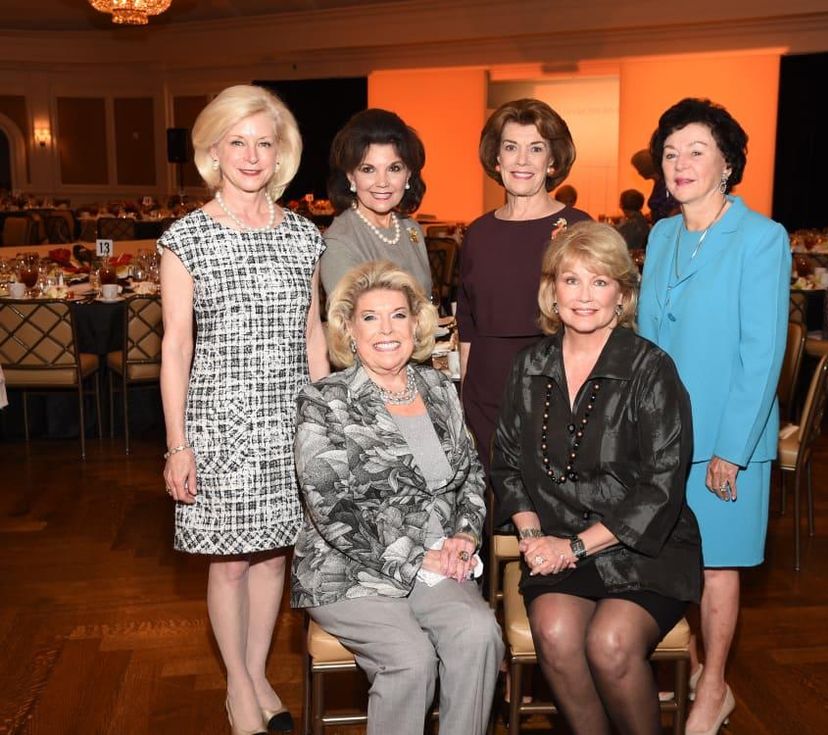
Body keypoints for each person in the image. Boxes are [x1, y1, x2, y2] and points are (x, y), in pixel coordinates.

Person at [159, 84, 328, 735]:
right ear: (214, 150)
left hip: (290, 421)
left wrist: (326, 427)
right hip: (218, 425)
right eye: (238, 142)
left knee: (275, 557)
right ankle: (237, 686)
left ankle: (257, 674)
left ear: (281, 152)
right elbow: (176, 347)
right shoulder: (187, 238)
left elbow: (313, 336)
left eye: (264, 142)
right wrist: (178, 445)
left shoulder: (305, 236)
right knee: (229, 561)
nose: (252, 155)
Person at [492, 221, 702, 735]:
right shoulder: (528, 365)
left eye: (600, 281)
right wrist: (533, 536)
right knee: (555, 632)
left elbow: (661, 487)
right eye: (571, 280)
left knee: (610, 644)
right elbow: (507, 462)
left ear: (622, 295)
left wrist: (575, 547)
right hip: (555, 539)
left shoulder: (651, 369)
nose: (584, 296)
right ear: (552, 291)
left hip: (643, 549)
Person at [292, 261, 504, 735]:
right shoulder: (324, 401)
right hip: (350, 570)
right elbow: (332, 509)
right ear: (349, 330)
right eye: (370, 317)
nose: (386, 330)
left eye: (398, 315)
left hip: (437, 560)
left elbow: (470, 471)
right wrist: (416, 557)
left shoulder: (438, 387)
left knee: (479, 635)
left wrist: (465, 536)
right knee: (411, 660)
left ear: (416, 325)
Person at [636, 97, 790, 735]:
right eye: (671, 153)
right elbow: (647, 340)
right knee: (673, 562)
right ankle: (697, 667)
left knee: (718, 565)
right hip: (664, 436)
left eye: (696, 151)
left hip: (728, 440)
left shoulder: (761, 238)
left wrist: (732, 448)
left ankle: (715, 687)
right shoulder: (662, 235)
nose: (681, 163)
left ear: (727, 163)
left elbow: (763, 354)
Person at [457, 98, 590, 474]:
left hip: (557, 393)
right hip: (485, 398)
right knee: (495, 500)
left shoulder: (578, 228)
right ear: (497, 159)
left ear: (552, 161)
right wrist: (465, 401)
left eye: (536, 149)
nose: (522, 160)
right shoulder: (478, 233)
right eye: (511, 147)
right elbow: (468, 323)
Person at [318, 109, 432, 303]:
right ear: (351, 176)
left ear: (408, 174)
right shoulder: (339, 242)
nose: (382, 182)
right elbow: (349, 317)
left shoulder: (411, 229)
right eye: (368, 169)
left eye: (394, 168)